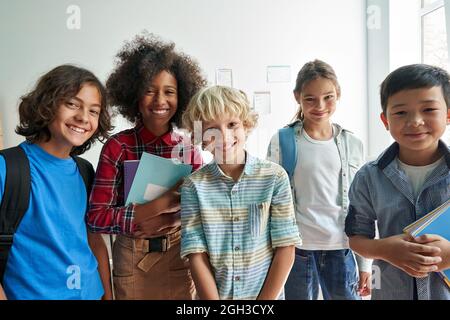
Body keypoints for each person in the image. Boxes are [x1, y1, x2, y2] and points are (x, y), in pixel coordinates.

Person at [87, 33, 206, 299]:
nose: (159, 100)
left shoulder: (188, 149)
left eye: (169, 92)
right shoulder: (118, 147)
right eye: (149, 90)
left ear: (182, 97)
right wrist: (152, 210)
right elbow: (96, 218)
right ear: (134, 96)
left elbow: (203, 210)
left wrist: (171, 218)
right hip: (131, 258)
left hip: (178, 256)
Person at [0, 64, 113, 299]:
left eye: (93, 111)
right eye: (72, 104)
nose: (83, 117)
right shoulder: (8, 168)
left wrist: (107, 295)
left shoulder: (85, 171)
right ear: (47, 105)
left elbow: (93, 240)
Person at [180, 86, 301, 300]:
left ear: (246, 125)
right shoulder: (193, 186)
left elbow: (286, 247)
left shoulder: (274, 177)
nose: (223, 135)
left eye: (232, 124)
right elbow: (196, 254)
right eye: (211, 129)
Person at [267, 59, 372, 300]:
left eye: (328, 97)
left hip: (341, 247)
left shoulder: (352, 144)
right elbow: (270, 200)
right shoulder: (282, 141)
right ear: (297, 97)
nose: (320, 106)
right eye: (310, 98)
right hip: (297, 250)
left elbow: (363, 207)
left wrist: (365, 264)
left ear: (338, 94)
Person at [346, 64, 450, 300]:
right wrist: (386, 249)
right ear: (385, 120)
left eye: (429, 109)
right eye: (401, 112)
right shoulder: (368, 177)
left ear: (448, 114)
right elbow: (356, 237)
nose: (415, 121)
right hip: (391, 291)